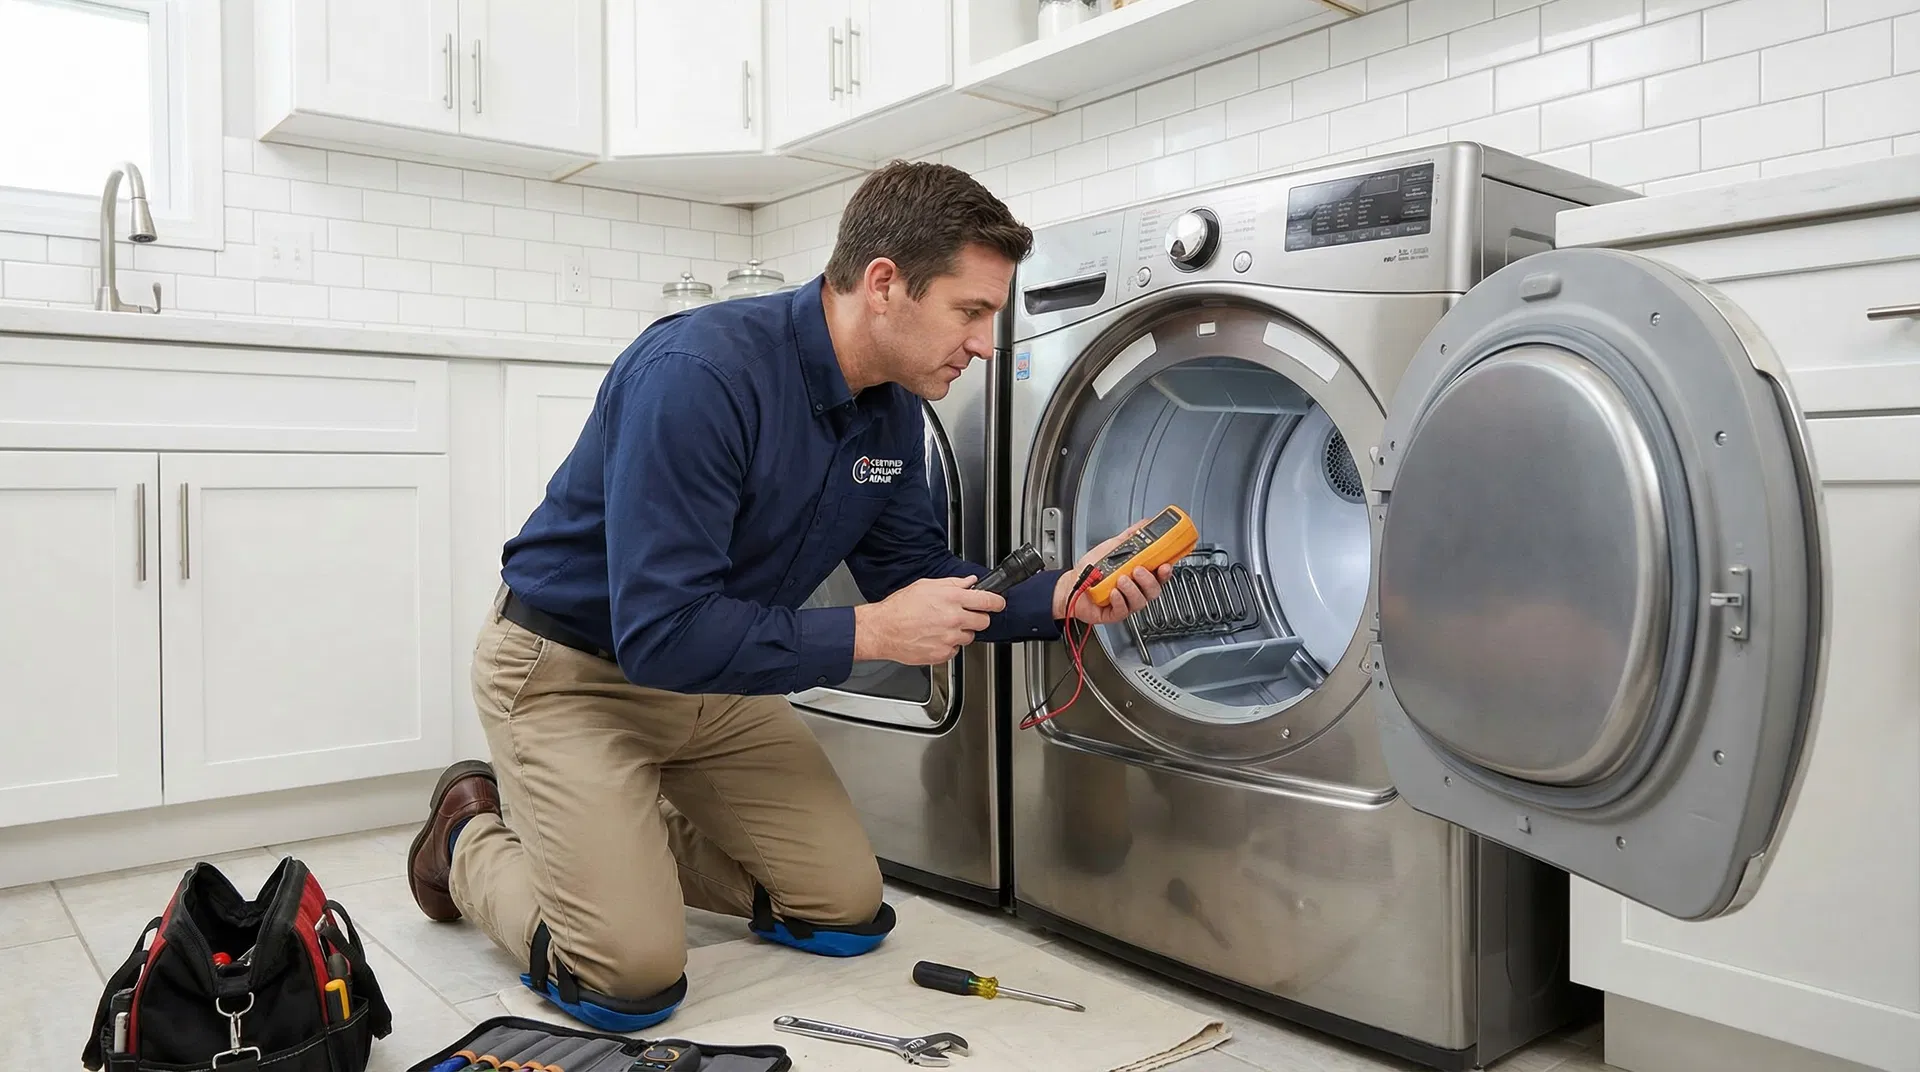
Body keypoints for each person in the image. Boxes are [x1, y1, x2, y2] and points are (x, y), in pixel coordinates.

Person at [403, 160, 1173, 1032]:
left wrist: (1064, 598)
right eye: (971, 311)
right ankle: (470, 833)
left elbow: (913, 574)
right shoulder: (699, 374)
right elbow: (661, 634)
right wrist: (873, 633)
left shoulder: (887, 410)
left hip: (717, 679)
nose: (985, 344)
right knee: (628, 979)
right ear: (884, 284)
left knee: (846, 915)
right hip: (573, 673)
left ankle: (608, 834)